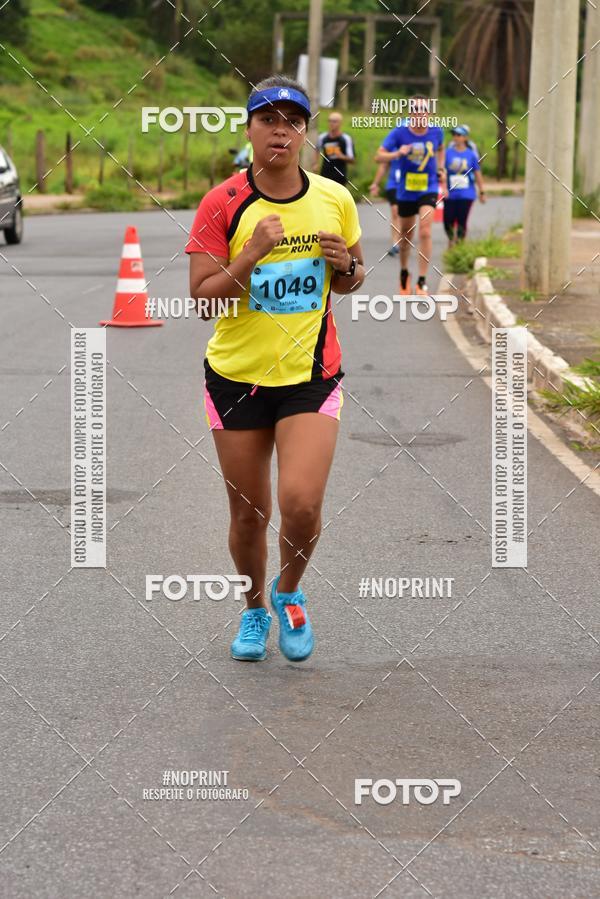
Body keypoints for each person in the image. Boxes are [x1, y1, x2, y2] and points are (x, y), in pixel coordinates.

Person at [186, 76, 365, 664]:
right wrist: (253, 253)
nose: (280, 130)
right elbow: (204, 297)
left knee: (302, 501)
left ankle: (289, 594)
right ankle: (254, 608)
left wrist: (347, 268)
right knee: (249, 512)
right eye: (268, 119)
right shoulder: (222, 202)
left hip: (311, 376)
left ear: (306, 132)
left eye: (292, 121)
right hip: (236, 379)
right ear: (250, 129)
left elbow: (352, 275)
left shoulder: (334, 197)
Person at [375, 97, 445, 295]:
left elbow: (441, 149)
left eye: (423, 110)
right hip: (405, 191)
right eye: (415, 110)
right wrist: (397, 154)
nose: (419, 113)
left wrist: (441, 168)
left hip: (428, 187)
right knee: (406, 237)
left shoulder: (436, 131)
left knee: (425, 231)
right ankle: (404, 272)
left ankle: (422, 281)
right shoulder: (400, 133)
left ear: (429, 113)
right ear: (410, 114)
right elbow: (378, 156)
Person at [444, 124, 486, 247]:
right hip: (450, 192)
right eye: (454, 135)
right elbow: (442, 170)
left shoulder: (471, 155)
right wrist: (442, 187)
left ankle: (459, 244)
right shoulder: (447, 153)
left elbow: (477, 173)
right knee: (448, 220)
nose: (455, 137)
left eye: (459, 135)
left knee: (462, 220)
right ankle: (451, 239)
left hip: (466, 193)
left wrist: (482, 192)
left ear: (465, 138)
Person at [369, 158, 401, 256]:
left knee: (405, 215)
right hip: (393, 185)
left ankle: (405, 240)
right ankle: (396, 244)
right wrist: (375, 184)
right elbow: (383, 166)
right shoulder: (392, 146)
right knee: (395, 212)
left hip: (409, 185)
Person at [313, 111, 355, 185]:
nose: (331, 123)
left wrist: (341, 156)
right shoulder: (322, 137)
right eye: (329, 121)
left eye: (334, 121)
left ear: (340, 123)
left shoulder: (346, 139)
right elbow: (317, 149)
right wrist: (316, 163)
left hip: (340, 176)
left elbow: (352, 160)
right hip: (325, 175)